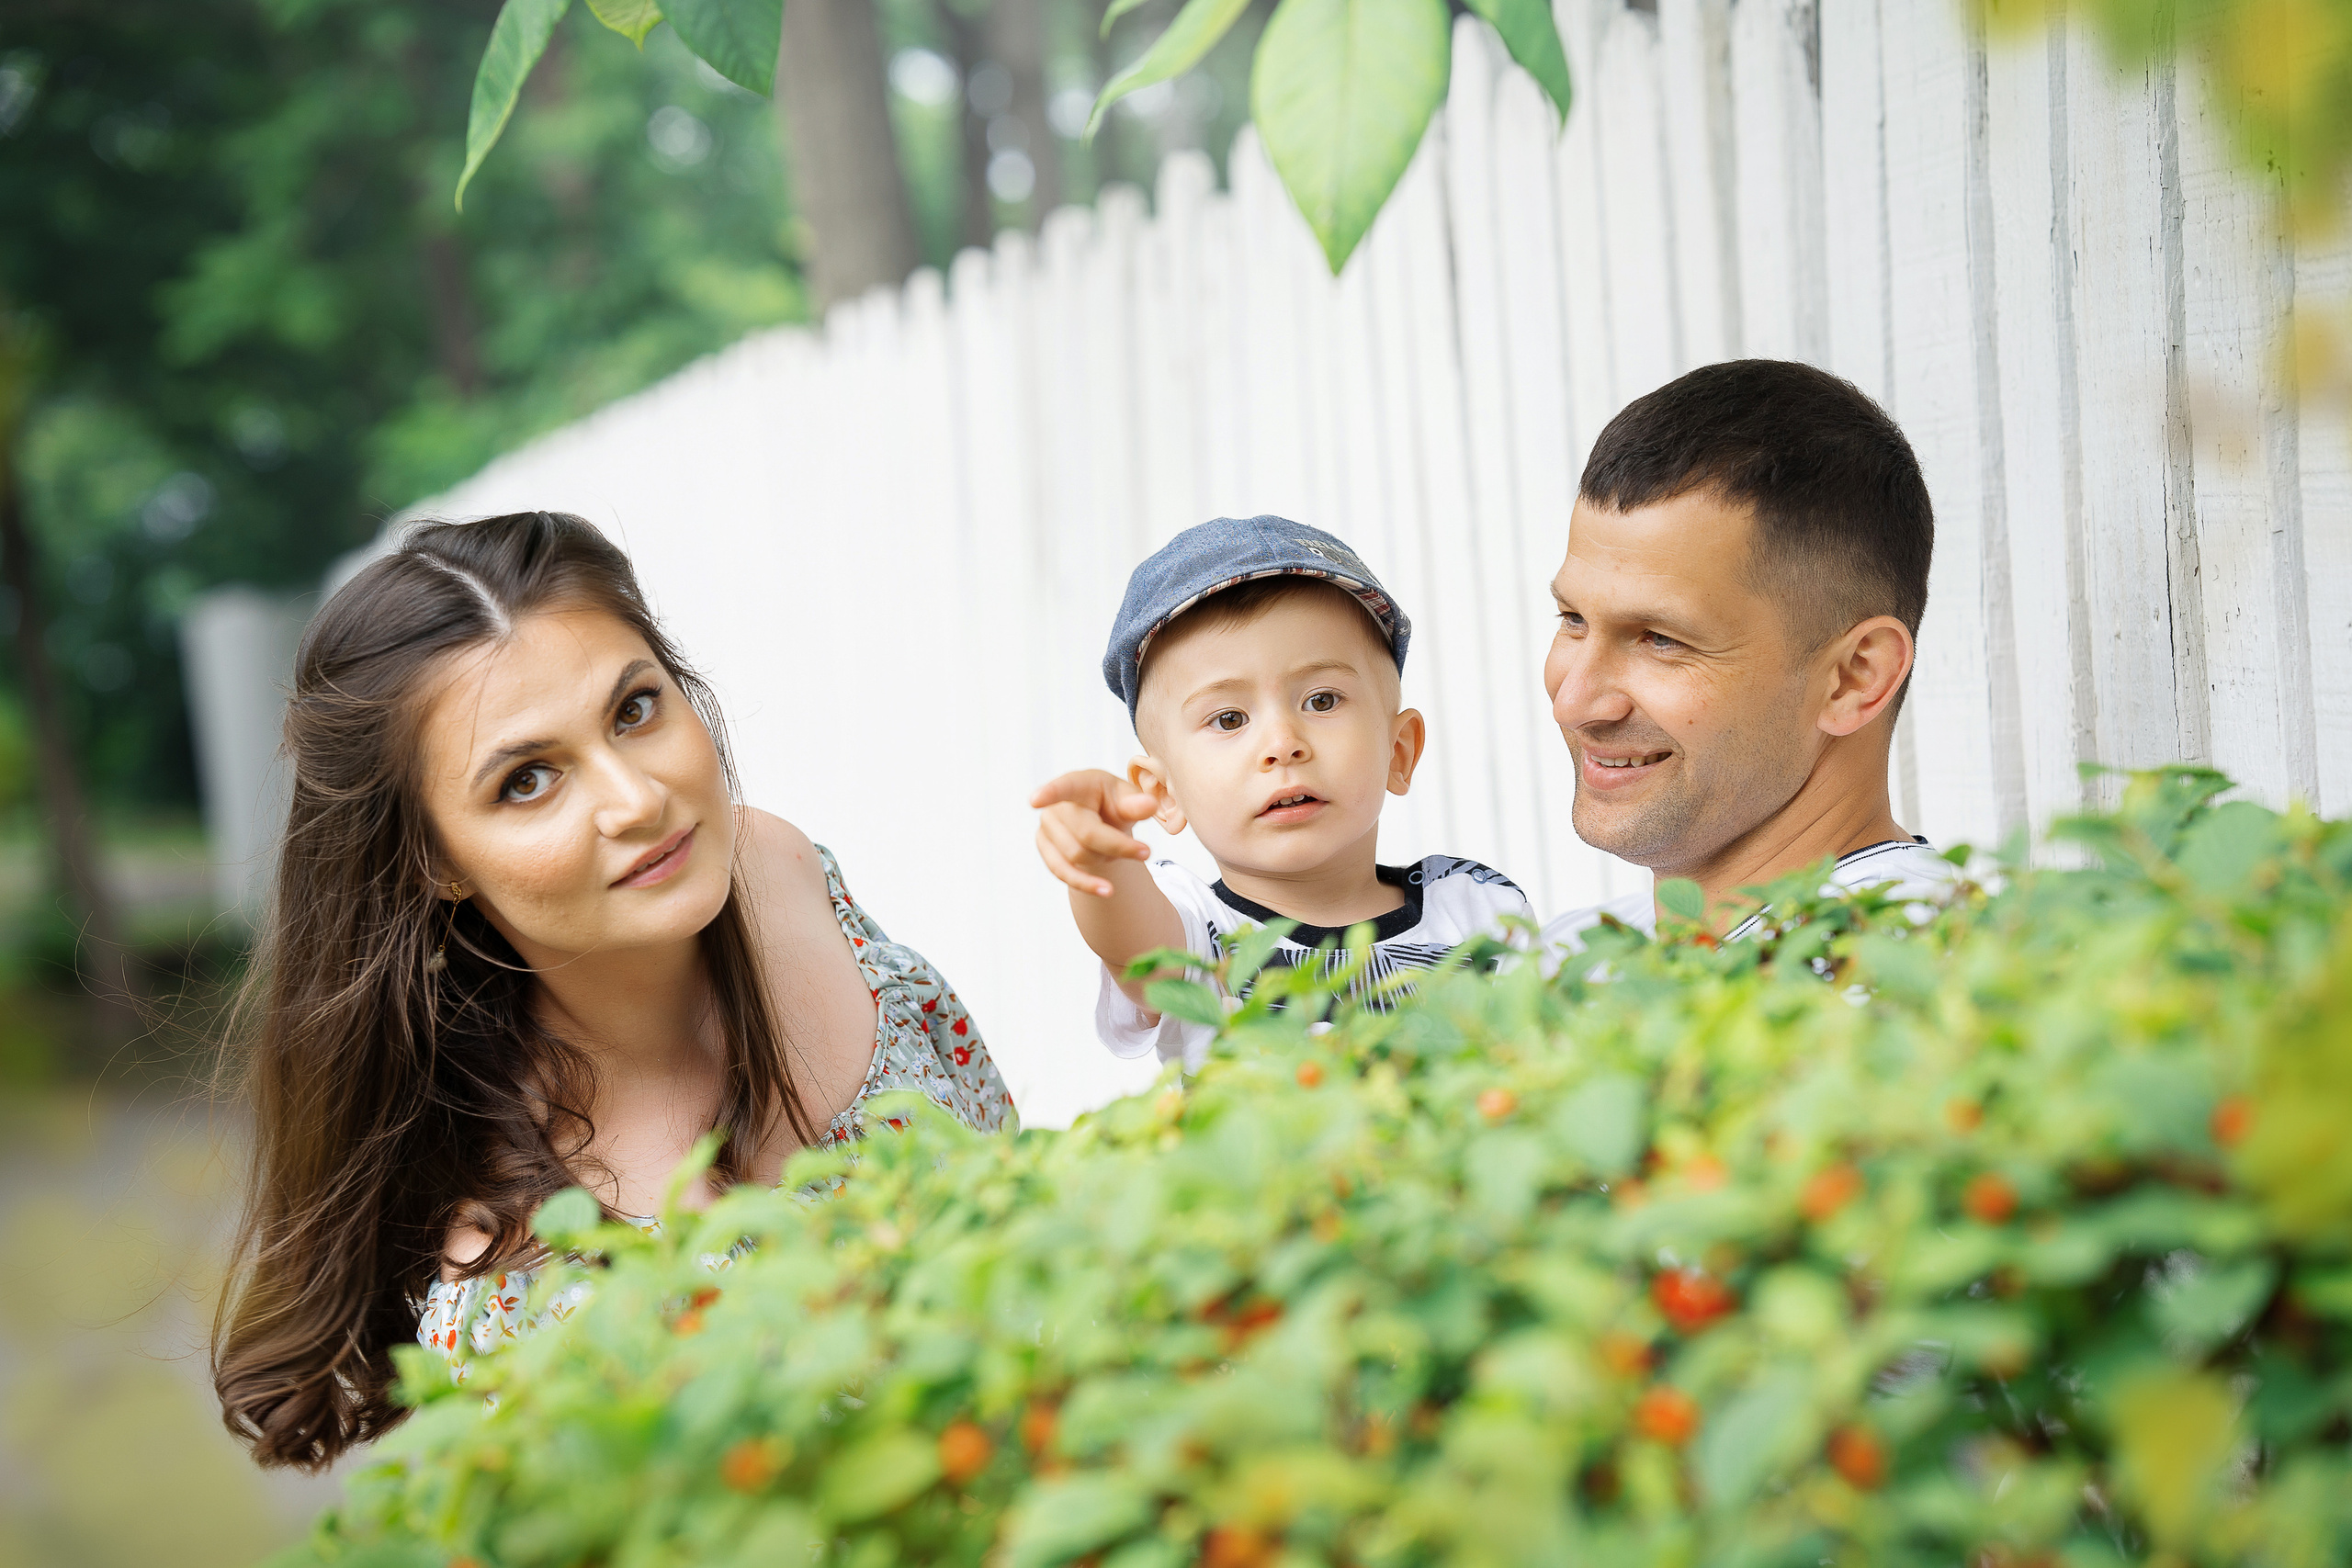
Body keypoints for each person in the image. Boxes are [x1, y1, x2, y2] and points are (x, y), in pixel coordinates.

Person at [211, 512, 1012, 1470]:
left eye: (634, 710)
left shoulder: (778, 865)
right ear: (435, 861)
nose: (637, 801)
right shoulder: (525, 1284)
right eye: (528, 780)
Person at [1030, 515, 1532, 1070]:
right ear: (1163, 793)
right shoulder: (1198, 932)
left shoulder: (1476, 909)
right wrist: (1103, 860)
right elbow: (1137, 950)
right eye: (1228, 718)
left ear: (1399, 751)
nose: (1282, 744)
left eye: (1321, 701)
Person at [1542, 359, 1958, 946]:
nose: (1574, 702)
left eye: (1661, 640)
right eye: (1573, 620)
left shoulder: (1909, 978)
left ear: (1854, 676)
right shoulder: (1567, 956)